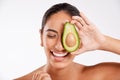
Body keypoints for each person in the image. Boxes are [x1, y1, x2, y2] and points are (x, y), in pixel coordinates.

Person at [15, 3, 120, 80]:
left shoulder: (99, 76)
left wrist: (103, 42)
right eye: (51, 36)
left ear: (80, 40)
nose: (59, 46)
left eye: (69, 37)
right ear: (41, 37)